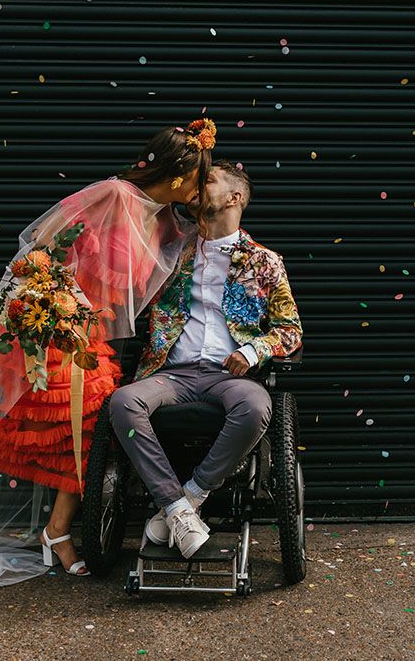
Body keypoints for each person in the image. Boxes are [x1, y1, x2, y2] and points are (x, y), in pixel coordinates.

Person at [0, 119, 216, 599]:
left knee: (92, 427)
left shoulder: (166, 220)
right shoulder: (114, 194)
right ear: (178, 172)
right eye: (198, 175)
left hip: (90, 340)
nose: (199, 186)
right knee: (29, 426)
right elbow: (39, 241)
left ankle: (56, 530)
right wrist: (54, 300)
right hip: (51, 329)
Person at [109, 159, 303, 559]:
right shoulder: (172, 253)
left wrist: (252, 350)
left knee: (255, 407)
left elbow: (290, 331)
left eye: (207, 179)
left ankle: (187, 500)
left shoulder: (264, 262)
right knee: (123, 402)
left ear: (235, 197)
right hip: (172, 374)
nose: (196, 186)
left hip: (228, 378)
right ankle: (178, 509)